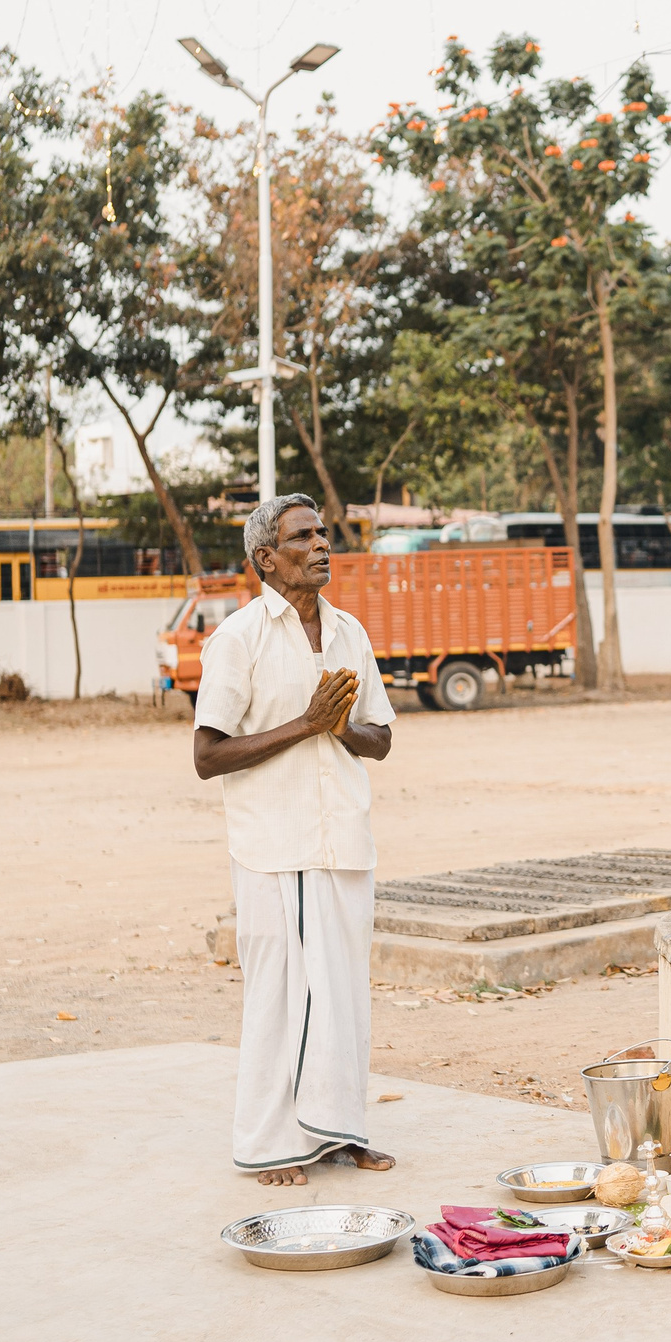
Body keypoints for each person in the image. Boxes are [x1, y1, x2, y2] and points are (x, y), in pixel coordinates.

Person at [193, 493, 398, 1185]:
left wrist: (340, 728)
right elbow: (207, 756)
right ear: (266, 558)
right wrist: (307, 725)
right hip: (271, 846)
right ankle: (270, 1144)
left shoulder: (348, 632)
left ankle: (342, 1131)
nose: (321, 545)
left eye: (322, 533)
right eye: (302, 537)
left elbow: (381, 737)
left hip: (343, 839)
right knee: (278, 998)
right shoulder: (239, 638)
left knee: (343, 996)